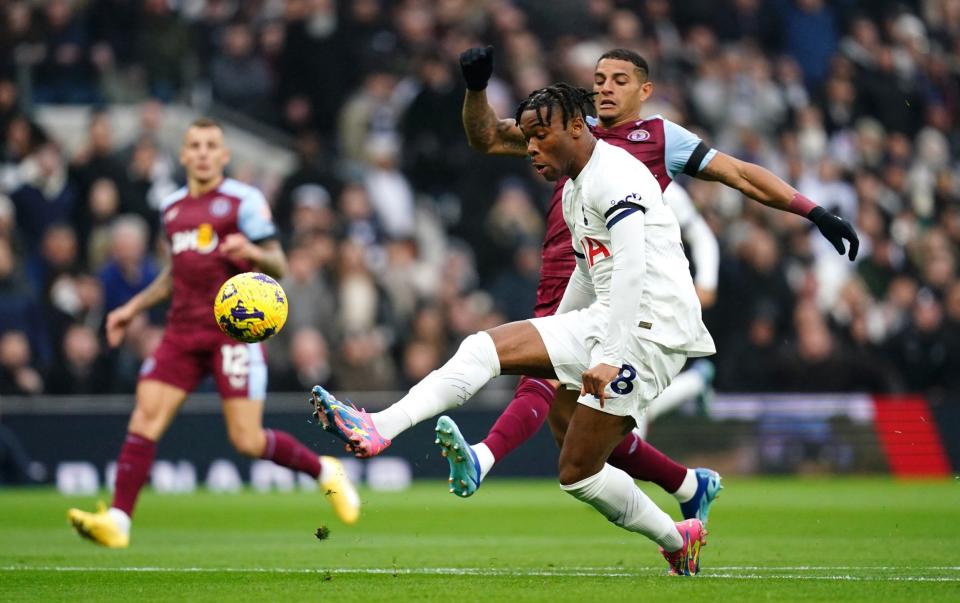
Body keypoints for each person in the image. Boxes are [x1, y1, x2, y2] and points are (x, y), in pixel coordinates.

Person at [427, 46, 859, 505]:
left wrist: (813, 212)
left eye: (619, 79)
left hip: (620, 285)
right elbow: (487, 138)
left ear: (644, 90)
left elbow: (739, 175)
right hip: (564, 272)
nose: (605, 88)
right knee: (569, 428)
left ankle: (482, 457)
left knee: (543, 387)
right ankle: (689, 486)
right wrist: (476, 89)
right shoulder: (569, 128)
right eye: (598, 79)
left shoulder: (661, 137)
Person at [313, 83, 714, 575]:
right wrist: (550, 336)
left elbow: (631, 267)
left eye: (540, 136)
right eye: (526, 139)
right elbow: (592, 273)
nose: (531, 150)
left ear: (575, 127)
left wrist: (608, 355)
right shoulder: (575, 189)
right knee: (577, 474)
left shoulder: (616, 174)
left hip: (650, 328)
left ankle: (381, 427)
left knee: (487, 350)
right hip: (616, 319)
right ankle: (680, 540)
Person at [67, 118, 360, 549]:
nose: (203, 152)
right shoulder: (171, 208)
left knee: (246, 440)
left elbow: (278, 262)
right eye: (195, 146)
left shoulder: (243, 202)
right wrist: (131, 308)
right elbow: (175, 271)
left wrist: (254, 252)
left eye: (211, 146)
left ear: (223, 155)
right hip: (182, 332)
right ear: (184, 155)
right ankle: (118, 520)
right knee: (145, 417)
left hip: (232, 333)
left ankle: (324, 471)